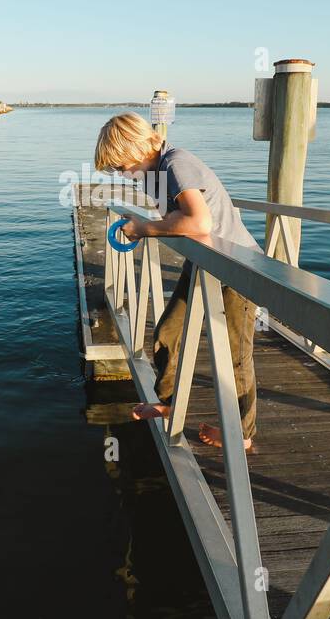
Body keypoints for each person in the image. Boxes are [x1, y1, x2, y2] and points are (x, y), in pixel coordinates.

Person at [94, 111, 260, 450]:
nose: (123, 175)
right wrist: (147, 226)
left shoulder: (176, 164)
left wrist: (143, 228)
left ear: (136, 148)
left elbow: (199, 223)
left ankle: (242, 434)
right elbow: (175, 219)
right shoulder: (157, 173)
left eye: (122, 166)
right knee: (169, 332)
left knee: (235, 356)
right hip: (206, 263)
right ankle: (168, 402)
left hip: (237, 269)